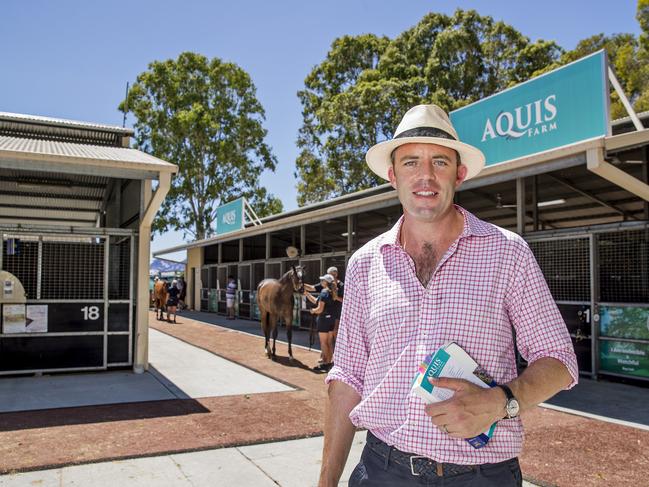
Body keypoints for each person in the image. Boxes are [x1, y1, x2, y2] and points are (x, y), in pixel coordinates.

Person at [318, 104, 578, 487]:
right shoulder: (364, 264)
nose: (425, 175)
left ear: (458, 173)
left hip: (482, 476)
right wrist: (326, 482)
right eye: (410, 163)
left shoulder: (508, 252)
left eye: (439, 161)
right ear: (392, 176)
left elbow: (559, 361)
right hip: (381, 469)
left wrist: (501, 401)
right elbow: (347, 379)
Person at [304, 273, 337, 373]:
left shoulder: (323, 292)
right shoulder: (332, 292)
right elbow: (316, 301)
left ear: (326, 282)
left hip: (323, 320)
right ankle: (330, 363)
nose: (321, 282)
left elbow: (319, 308)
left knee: (323, 343)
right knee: (329, 342)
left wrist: (313, 311)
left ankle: (325, 363)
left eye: (323, 280)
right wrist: (307, 294)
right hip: (331, 319)